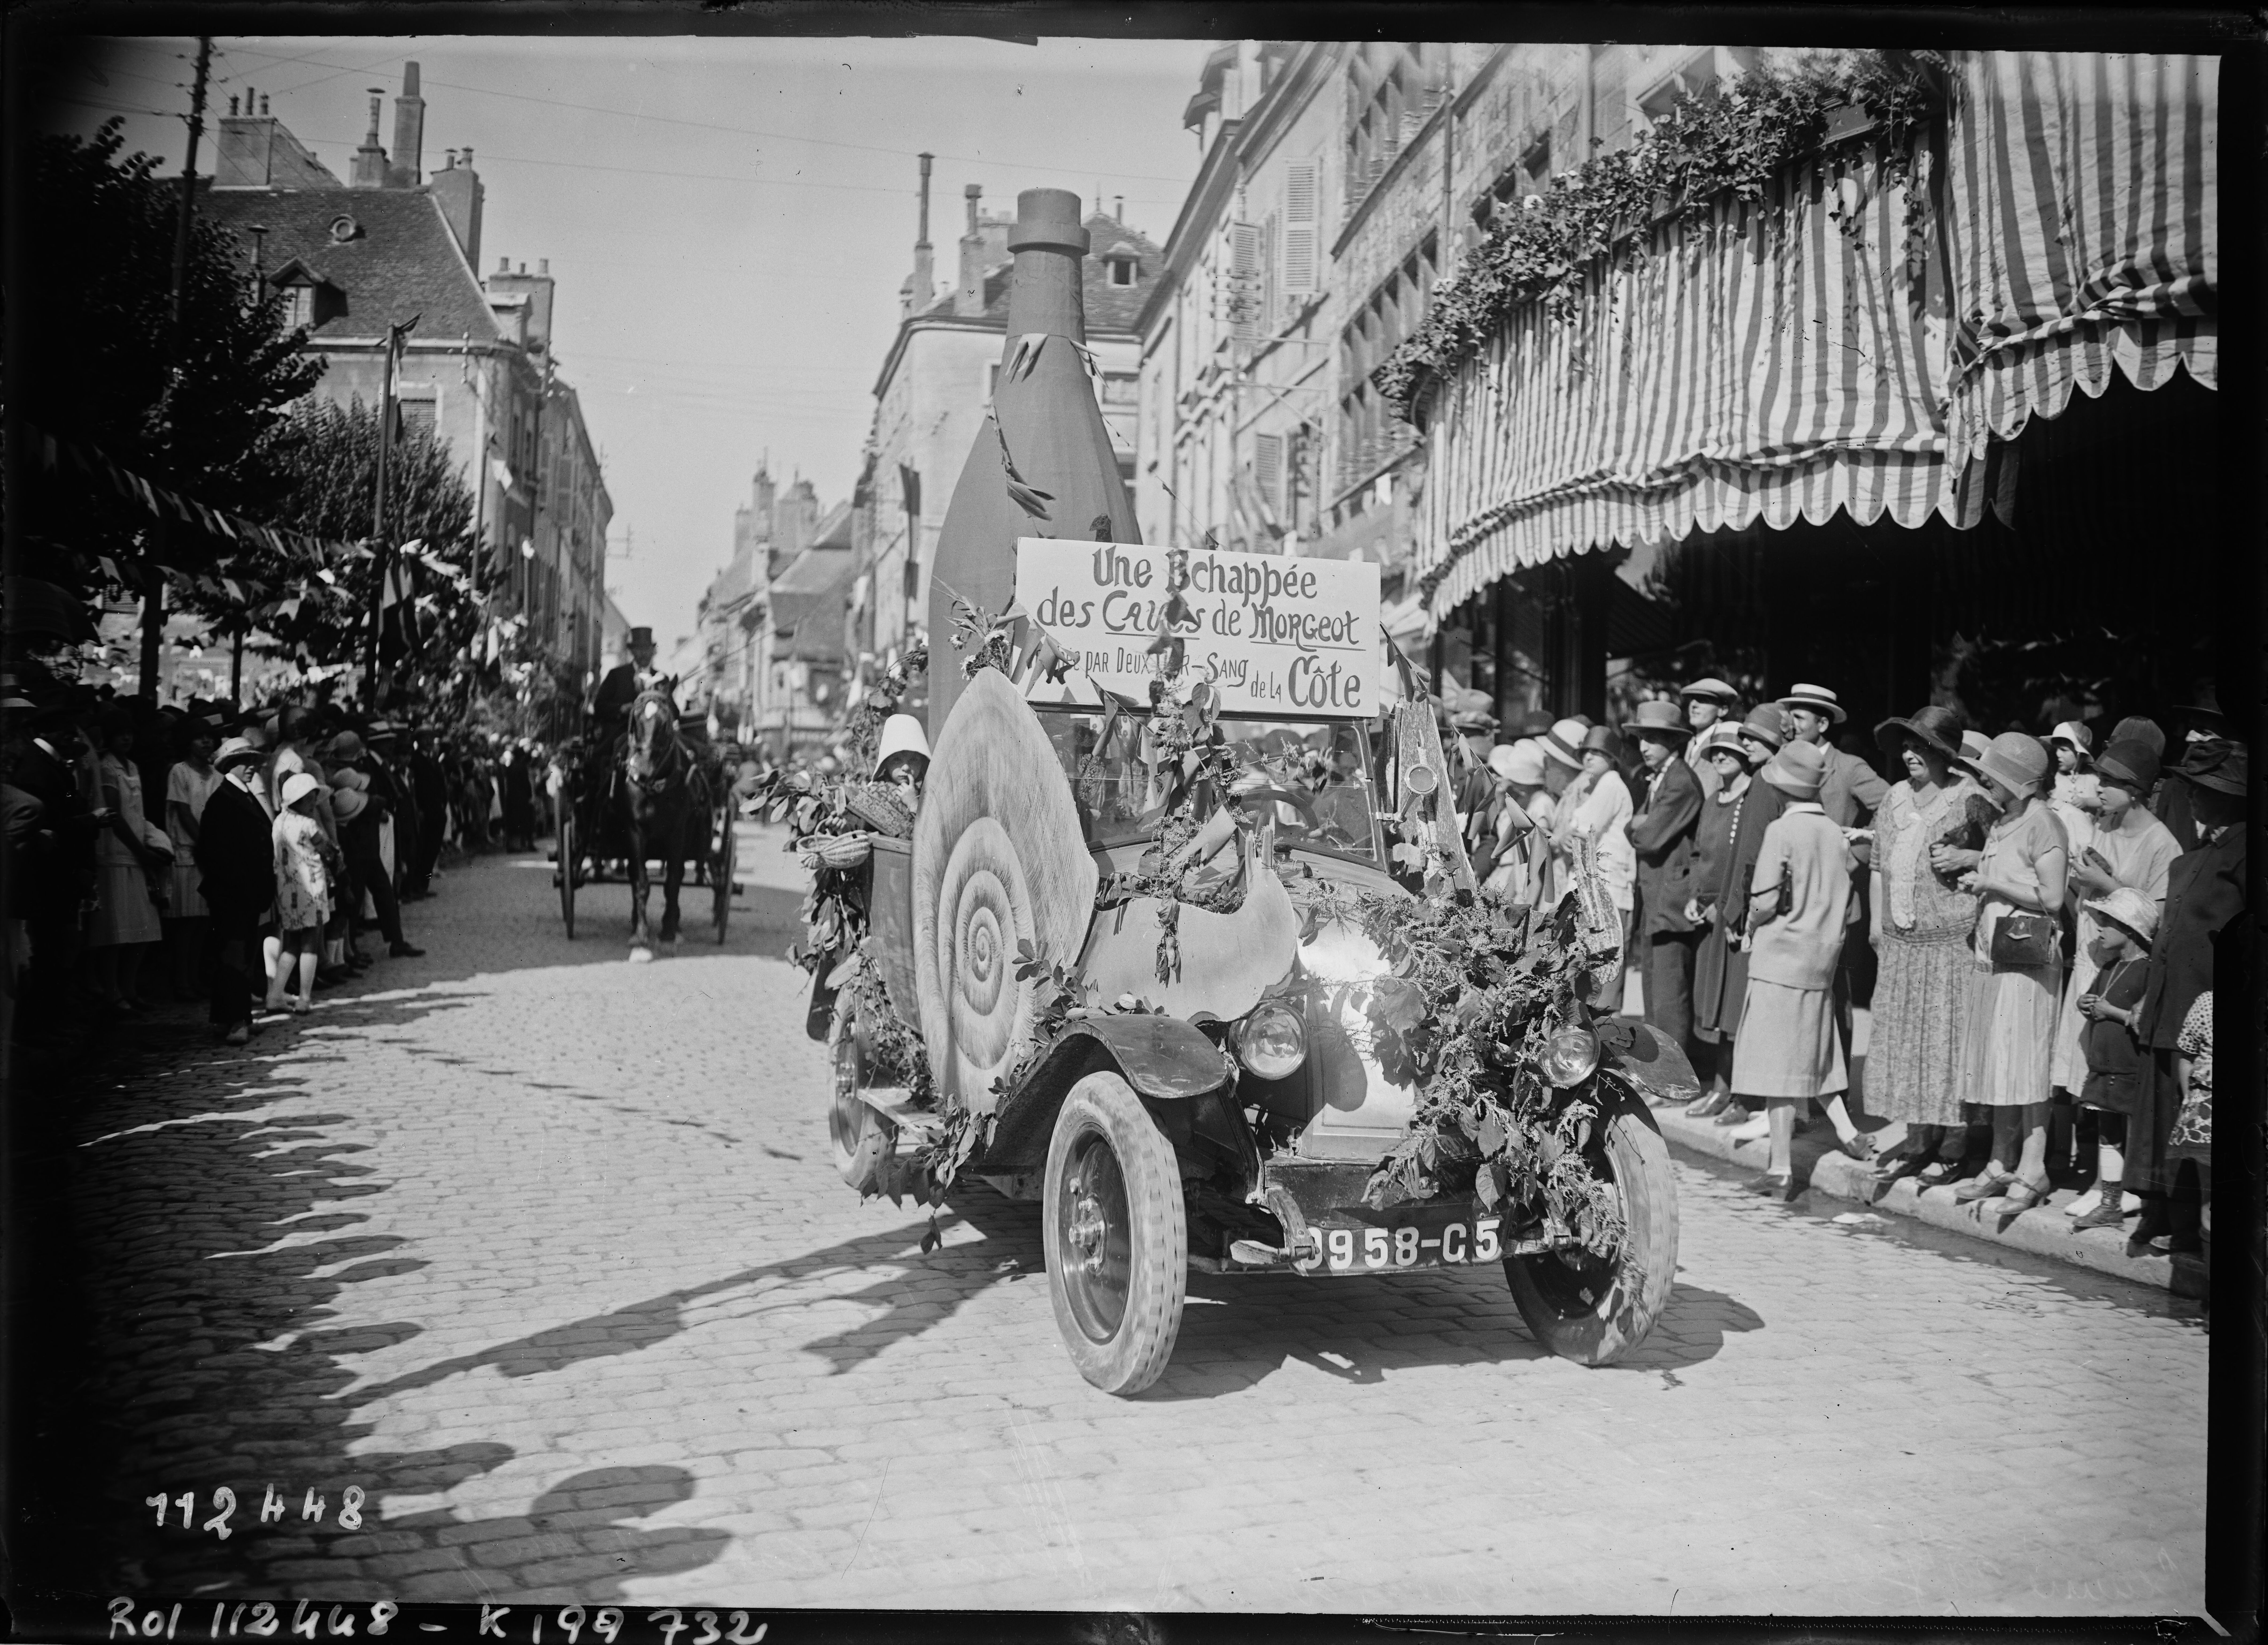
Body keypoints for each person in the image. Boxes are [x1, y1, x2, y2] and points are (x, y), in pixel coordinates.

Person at [1866, 706, 1998, 1186]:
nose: (1909, 755)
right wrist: (1877, 927)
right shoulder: (1895, 798)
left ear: (1942, 753)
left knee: (1945, 1045)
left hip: (1951, 944)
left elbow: (2004, 854)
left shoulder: (1971, 798)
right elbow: (1878, 862)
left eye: (1919, 747)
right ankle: (1918, 1143)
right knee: (1907, 1044)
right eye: (1905, 747)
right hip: (1902, 944)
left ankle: (1956, 1145)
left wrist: (1971, 856)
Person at [1733, 740, 1865, 1196]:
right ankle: (1847, 1133)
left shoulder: (1780, 832)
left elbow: (1765, 900)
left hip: (1780, 957)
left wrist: (1749, 923)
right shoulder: (1834, 832)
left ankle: (1781, 1168)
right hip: (1821, 956)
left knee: (1777, 1066)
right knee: (1816, 1050)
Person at [2127, 743, 2243, 1257]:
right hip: (2168, 1008)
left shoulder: (2240, 854)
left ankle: (2199, 1231)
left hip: (2207, 1016)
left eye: (2205, 790)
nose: (2192, 797)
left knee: (2199, 1122)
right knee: (2161, 1118)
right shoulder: (2193, 858)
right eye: (2191, 788)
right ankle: (2166, 1217)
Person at [1951, 733, 2070, 1212]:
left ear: (2018, 784)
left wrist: (1990, 882)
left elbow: (2054, 898)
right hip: (1993, 956)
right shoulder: (2004, 822)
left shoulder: (2046, 824)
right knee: (2000, 1059)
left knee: (2027, 1060)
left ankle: (2034, 1166)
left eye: (1994, 776)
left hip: (2027, 958)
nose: (1985, 781)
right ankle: (2000, 1162)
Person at [2049, 738, 2181, 1164]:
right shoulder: (2102, 827)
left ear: (2136, 790)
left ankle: (2122, 1182)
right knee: (2089, 1075)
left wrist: (2106, 883)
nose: (2099, 788)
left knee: (2117, 1080)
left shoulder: (2162, 844)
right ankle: (2097, 1175)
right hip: (2092, 961)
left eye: (2110, 781)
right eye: (2099, 778)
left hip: (2129, 973)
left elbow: (2155, 918)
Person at [1778, 683, 1888, 1069]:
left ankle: (1834, 1090)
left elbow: (1890, 808)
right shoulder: (1784, 761)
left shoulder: (1848, 767)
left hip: (1835, 898)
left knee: (1834, 994)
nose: (1789, 724)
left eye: (1798, 717)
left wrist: (1854, 856)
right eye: (1789, 715)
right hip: (1790, 898)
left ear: (1822, 723)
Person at [2066, 887, 2156, 1231]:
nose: (2100, 929)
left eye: (2108, 923)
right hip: (2103, 1067)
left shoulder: (2148, 970)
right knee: (2108, 1134)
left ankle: (2145, 1203)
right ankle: (2109, 1204)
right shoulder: (2111, 967)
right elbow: (2096, 1000)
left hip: (2130, 1068)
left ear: (2130, 930)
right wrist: (2087, 1005)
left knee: (2135, 1134)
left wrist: (2112, 1013)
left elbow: (2144, 1019)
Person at [1623, 699, 1705, 1077]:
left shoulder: (1680, 782)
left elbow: (1649, 838)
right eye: (1641, 738)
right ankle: (1658, 1074)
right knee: (1655, 993)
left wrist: (1634, 824)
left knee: (1669, 996)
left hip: (1670, 902)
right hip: (1656, 899)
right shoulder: (1659, 779)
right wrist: (1640, 822)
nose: (1644, 746)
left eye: (1653, 739)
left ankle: (1674, 1079)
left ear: (1672, 743)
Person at [1684, 724, 1760, 1112]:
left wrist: (1726, 907)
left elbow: (1745, 863)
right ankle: (1720, 1088)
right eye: (1714, 751)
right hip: (1707, 916)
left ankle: (1739, 1095)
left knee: (1735, 1008)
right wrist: (1695, 899)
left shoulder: (1752, 798)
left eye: (1728, 750)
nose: (1719, 757)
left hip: (1735, 917)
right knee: (1711, 1005)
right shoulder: (1713, 798)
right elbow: (1700, 855)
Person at [197, 737, 278, 1046]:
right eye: (246, 762)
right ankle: (235, 1021)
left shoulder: (242, 796)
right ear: (231, 764)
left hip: (246, 892)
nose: (252, 768)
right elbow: (211, 852)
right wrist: (238, 886)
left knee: (240, 955)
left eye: (254, 762)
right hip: (232, 894)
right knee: (233, 956)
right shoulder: (223, 800)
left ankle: (232, 1016)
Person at [86, 706, 168, 1011]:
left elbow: (138, 814)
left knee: (143, 930)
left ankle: (130, 987)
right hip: (117, 856)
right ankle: (113, 991)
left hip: (137, 854)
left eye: (130, 733)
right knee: (117, 933)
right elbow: (114, 816)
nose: (126, 738)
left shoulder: (133, 766)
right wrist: (141, 851)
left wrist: (153, 846)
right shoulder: (107, 767)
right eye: (120, 733)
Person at [1555, 725, 1635, 1009]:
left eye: (1598, 752)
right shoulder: (1600, 785)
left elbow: (1584, 829)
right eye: (1587, 752)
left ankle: (1602, 1035)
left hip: (1606, 889)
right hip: (1596, 888)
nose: (1589, 757)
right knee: (1590, 963)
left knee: (1602, 964)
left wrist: (1565, 834)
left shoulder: (1611, 784)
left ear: (1613, 758)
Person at [163, 715, 223, 1000]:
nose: (206, 742)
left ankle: (196, 979)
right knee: (186, 924)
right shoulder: (180, 772)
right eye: (199, 737)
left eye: (209, 737)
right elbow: (184, 812)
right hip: (188, 853)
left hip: (210, 856)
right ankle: (181, 982)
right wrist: (205, 844)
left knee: (202, 923)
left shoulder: (218, 775)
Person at [269, 773, 336, 1014]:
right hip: (312, 888)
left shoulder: (279, 822)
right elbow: (326, 851)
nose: (312, 805)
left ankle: (275, 995)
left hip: (286, 889)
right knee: (310, 943)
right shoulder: (309, 825)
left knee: (292, 943)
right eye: (309, 800)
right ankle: (304, 998)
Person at [1679, 678, 1740, 793]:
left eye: (1704, 700)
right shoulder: (1692, 742)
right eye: (1692, 699)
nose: (1694, 705)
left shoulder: (1723, 741)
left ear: (1723, 710)